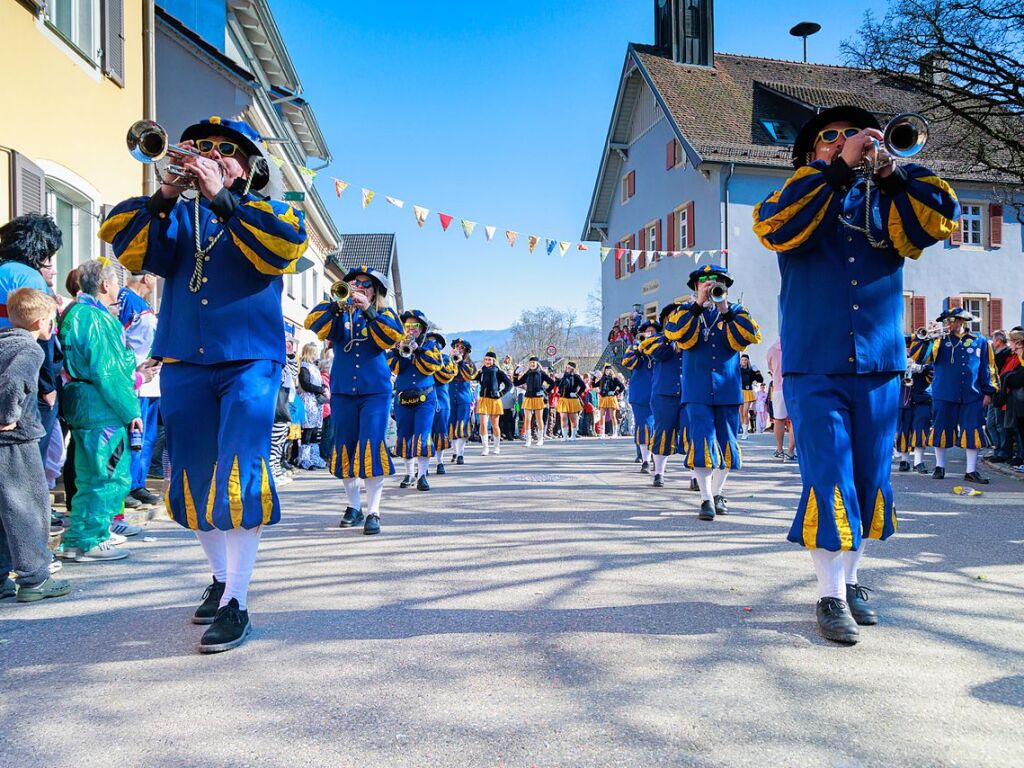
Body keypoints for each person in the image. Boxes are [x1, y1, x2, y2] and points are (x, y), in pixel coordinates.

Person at [100, 115, 308, 653]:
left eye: (228, 151)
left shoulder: (269, 211)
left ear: (249, 168)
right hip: (184, 361)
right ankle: (219, 578)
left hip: (248, 360)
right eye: (207, 147)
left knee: (240, 469)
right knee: (191, 474)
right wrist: (167, 189)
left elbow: (281, 248)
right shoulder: (175, 213)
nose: (214, 155)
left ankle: (238, 600)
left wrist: (220, 195)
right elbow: (134, 250)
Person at [753, 104, 960, 644]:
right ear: (811, 152)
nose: (846, 141)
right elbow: (775, 226)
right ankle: (829, 593)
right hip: (813, 364)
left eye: (853, 135)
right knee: (829, 477)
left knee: (871, 480)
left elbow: (938, 216)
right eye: (831, 137)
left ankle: (851, 581)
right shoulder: (799, 192)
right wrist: (837, 169)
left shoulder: (890, 197)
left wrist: (889, 171)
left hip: (880, 363)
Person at [306, 266, 404, 532]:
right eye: (354, 283)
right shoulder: (338, 312)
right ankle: (354, 506)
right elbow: (312, 322)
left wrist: (368, 311)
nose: (359, 287)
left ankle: (374, 510)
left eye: (365, 284)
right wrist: (337, 306)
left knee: (371, 445)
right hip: (342, 392)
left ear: (376, 292)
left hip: (375, 392)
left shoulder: (384, 313)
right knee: (345, 446)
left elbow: (391, 337)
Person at [58, 259, 143, 563]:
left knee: (88, 476)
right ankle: (91, 539)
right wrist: (131, 409)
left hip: (81, 404)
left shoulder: (73, 314)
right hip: (102, 407)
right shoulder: (98, 319)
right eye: (116, 283)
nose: (119, 289)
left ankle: (78, 538)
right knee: (107, 477)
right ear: (106, 284)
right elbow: (110, 373)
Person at [665, 266, 762, 521]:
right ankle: (706, 498)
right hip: (697, 390)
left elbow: (749, 335)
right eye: (703, 283)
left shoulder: (737, 312)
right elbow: (675, 334)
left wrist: (725, 310)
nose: (709, 286)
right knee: (702, 441)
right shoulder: (684, 312)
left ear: (724, 286)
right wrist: (698, 305)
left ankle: (718, 492)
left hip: (727, 390)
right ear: (696, 287)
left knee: (727, 443)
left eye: (715, 283)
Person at [0, 288, 72, 602]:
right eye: (51, 323)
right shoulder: (32, 350)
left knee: (4, 510)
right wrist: (8, 414)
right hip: (18, 439)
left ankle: (2, 576)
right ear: (41, 322)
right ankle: (34, 579)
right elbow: (15, 381)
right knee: (28, 509)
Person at [909, 308, 998, 484]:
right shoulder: (938, 340)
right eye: (946, 322)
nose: (948, 325)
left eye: (952, 321)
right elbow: (918, 358)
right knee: (941, 428)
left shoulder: (980, 340)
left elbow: (988, 368)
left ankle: (971, 471)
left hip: (972, 393)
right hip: (944, 392)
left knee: (973, 430)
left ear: (961, 322)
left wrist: (989, 391)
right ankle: (939, 467)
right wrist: (927, 338)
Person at [117, 272, 163, 513]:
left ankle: (138, 484)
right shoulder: (125, 300)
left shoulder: (145, 304)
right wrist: (132, 367)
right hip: (134, 381)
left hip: (151, 382)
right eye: (155, 275)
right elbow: (119, 340)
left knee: (147, 438)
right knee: (134, 437)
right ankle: (126, 486)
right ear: (146, 277)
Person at [389, 309, 442, 490]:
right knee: (404, 435)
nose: (411, 329)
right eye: (408, 326)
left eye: (415, 326)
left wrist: (417, 350)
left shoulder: (430, 346)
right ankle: (409, 473)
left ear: (423, 328)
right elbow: (393, 368)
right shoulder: (397, 344)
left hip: (425, 398)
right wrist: (400, 352)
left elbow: (434, 366)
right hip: (403, 398)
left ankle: (422, 476)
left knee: (423, 434)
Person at [640, 305, 686, 488]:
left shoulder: (691, 339)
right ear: (667, 320)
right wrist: (671, 336)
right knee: (662, 432)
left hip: (687, 392)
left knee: (691, 433)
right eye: (675, 316)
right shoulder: (658, 340)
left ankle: (694, 476)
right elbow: (660, 354)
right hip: (664, 393)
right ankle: (659, 472)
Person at [622, 320, 658, 473]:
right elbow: (627, 362)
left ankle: (658, 460)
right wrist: (639, 351)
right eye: (647, 331)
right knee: (643, 427)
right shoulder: (634, 347)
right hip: (641, 393)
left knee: (658, 428)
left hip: (659, 391)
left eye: (652, 331)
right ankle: (645, 460)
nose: (649, 333)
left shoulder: (661, 346)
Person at [896, 336, 933, 474]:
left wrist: (922, 368)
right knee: (903, 429)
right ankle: (904, 460)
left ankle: (919, 461)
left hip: (922, 398)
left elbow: (934, 372)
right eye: (906, 347)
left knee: (920, 428)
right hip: (904, 399)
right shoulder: (898, 359)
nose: (908, 349)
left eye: (910, 347)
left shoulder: (926, 360)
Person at [426, 332, 458, 474]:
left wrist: (435, 361)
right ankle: (423, 467)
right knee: (424, 432)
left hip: (441, 400)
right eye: (429, 341)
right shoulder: (421, 357)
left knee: (440, 431)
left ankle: (440, 462)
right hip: (424, 399)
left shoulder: (446, 359)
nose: (431, 344)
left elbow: (447, 376)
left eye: (434, 342)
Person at [474, 349, 512, 455]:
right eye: (486, 359)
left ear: (494, 361)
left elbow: (509, 384)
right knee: (483, 423)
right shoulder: (481, 371)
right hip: (483, 399)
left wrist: (501, 393)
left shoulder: (499, 372)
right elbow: (472, 377)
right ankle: (485, 447)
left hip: (495, 400)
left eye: (490, 360)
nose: (487, 361)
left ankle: (496, 447)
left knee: (495, 425)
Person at [296, 342, 328, 470]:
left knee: (315, 430)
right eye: (314, 352)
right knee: (308, 431)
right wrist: (321, 389)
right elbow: (306, 384)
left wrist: (323, 387)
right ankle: (304, 458)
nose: (316, 355)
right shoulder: (304, 367)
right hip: (308, 400)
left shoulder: (314, 367)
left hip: (316, 401)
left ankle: (314, 457)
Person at [765, 337, 796, 461]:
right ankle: (790, 451)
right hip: (794, 386)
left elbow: (770, 368)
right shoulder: (794, 345)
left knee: (779, 420)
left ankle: (779, 449)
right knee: (794, 420)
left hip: (778, 387)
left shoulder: (771, 349)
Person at [513, 356, 555, 447]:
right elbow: (516, 383)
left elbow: (552, 383)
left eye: (533, 363)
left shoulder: (541, 373)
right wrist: (515, 373)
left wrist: (544, 392)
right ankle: (528, 440)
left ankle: (540, 439)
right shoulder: (527, 373)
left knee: (539, 419)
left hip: (538, 398)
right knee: (527, 419)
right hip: (528, 397)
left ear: (537, 363)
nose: (532, 364)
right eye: (530, 363)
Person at [448, 338, 477, 464]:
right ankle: (454, 451)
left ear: (466, 351)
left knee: (462, 424)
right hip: (450, 395)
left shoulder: (469, 364)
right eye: (457, 346)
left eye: (461, 347)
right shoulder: (448, 361)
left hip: (463, 396)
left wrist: (460, 363)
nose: (458, 349)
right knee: (452, 424)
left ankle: (461, 454)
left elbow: (470, 376)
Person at [554, 361, 586, 441]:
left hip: (572, 400)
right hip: (563, 399)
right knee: (563, 417)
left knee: (573, 418)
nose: (567, 369)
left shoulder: (576, 376)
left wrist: (577, 394)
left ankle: (573, 435)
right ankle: (564, 436)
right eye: (566, 367)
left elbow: (583, 386)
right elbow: (557, 385)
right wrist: (557, 378)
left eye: (569, 367)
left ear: (573, 369)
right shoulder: (563, 376)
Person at [596, 364, 625, 439]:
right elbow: (594, 385)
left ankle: (615, 433)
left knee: (612, 415)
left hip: (611, 398)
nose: (607, 371)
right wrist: (594, 377)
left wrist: (615, 393)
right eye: (606, 370)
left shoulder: (614, 378)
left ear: (611, 371)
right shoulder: (602, 378)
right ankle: (602, 433)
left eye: (609, 370)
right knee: (602, 416)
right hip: (603, 398)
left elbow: (622, 386)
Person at [738, 355, 764, 437]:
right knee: (741, 413)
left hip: (748, 391)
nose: (744, 362)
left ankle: (745, 433)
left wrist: (757, 371)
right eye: (742, 360)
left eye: (745, 360)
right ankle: (744, 430)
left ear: (748, 361)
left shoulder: (751, 370)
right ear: (740, 361)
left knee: (745, 412)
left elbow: (760, 380)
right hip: (739, 392)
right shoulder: (738, 370)